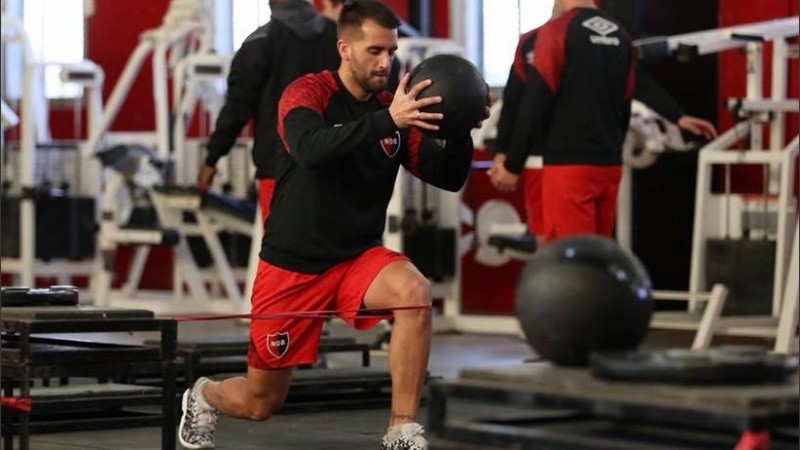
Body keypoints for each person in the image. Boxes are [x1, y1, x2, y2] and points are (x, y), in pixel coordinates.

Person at [178, 1, 488, 449]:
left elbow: (449, 176)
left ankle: (402, 429)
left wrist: (461, 129)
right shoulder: (308, 93)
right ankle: (202, 395)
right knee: (259, 403)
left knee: (413, 292)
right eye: (374, 51)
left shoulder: (393, 112)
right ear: (344, 48)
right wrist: (387, 119)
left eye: (391, 52)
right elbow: (309, 149)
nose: (385, 62)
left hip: (357, 259)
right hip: (294, 268)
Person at [489, 2, 717, 244]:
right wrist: (677, 115)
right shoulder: (618, 33)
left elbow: (535, 102)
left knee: (572, 261)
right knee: (597, 260)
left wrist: (512, 164)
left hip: (569, 167)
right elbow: (636, 84)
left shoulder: (556, 32)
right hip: (608, 167)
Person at [196, 0, 344, 223]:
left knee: (282, 254)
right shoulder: (340, 39)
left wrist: (211, 159)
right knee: (338, 250)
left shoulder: (260, 42)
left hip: (280, 168)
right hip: (335, 165)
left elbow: (237, 107)